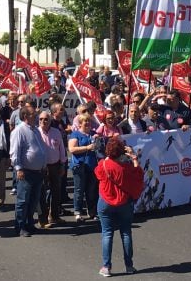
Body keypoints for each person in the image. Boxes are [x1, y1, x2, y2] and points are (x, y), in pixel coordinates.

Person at [94, 137, 144, 278]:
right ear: (122, 151)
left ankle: (106, 267)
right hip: (124, 202)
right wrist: (134, 158)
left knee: (107, 233)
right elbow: (139, 175)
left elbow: (97, 174)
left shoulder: (102, 164)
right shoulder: (126, 168)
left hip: (105, 202)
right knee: (126, 233)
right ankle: (129, 266)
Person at [9, 106, 46, 237]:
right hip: (26, 171)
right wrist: (18, 168)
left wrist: (43, 163)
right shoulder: (19, 131)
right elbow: (14, 152)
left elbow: (40, 148)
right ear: (25, 116)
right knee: (23, 200)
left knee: (33, 200)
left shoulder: (35, 130)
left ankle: (30, 223)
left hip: (37, 171)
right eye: (32, 114)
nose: (35, 116)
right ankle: (20, 226)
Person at [37, 110, 66, 228]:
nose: (43, 121)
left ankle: (54, 216)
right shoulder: (36, 132)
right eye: (41, 119)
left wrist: (63, 164)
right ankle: (42, 220)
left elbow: (62, 149)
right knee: (42, 194)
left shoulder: (56, 132)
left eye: (46, 119)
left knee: (56, 192)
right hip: (41, 167)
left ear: (50, 120)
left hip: (55, 166)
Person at [68, 113, 98, 223]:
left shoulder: (93, 134)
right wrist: (87, 147)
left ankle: (91, 211)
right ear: (80, 123)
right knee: (79, 190)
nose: (88, 123)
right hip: (79, 166)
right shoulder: (75, 134)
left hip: (92, 165)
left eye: (89, 121)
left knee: (91, 190)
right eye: (85, 121)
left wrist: (98, 140)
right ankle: (78, 212)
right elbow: (72, 149)